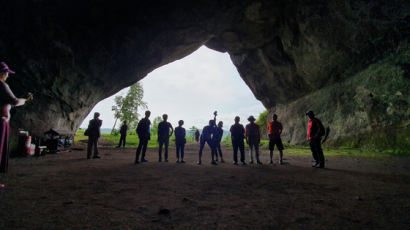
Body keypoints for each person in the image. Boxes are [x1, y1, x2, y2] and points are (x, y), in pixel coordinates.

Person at [0, 62, 32, 178]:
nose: (7, 76)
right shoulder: (2, 85)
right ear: (2, 73)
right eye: (6, 73)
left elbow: (7, 102)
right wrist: (25, 100)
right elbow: (14, 101)